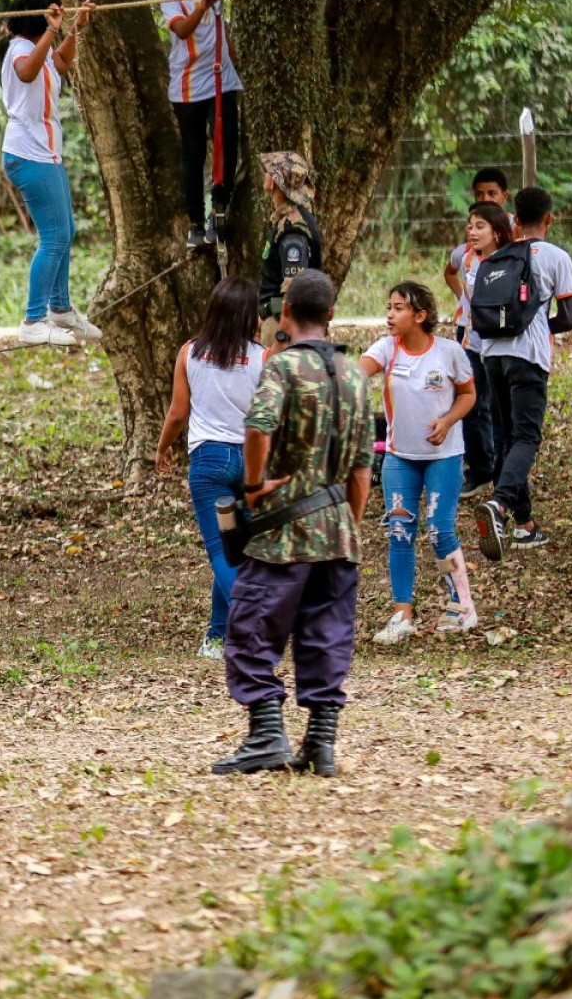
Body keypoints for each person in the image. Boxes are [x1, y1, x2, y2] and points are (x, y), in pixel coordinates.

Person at [214, 269, 375, 779]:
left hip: (283, 536)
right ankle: (320, 745)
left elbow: (258, 427)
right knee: (327, 637)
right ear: (331, 314)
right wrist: (349, 527)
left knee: (251, 629)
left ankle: (267, 737)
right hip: (337, 534)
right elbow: (362, 470)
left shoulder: (282, 367)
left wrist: (254, 485)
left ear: (285, 313)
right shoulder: (355, 375)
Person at [357, 282, 478, 643]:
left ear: (420, 315)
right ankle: (401, 615)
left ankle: (461, 606)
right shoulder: (386, 348)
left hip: (443, 457)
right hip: (399, 457)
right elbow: (358, 371)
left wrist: (447, 421)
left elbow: (468, 394)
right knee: (399, 531)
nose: (390, 315)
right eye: (389, 307)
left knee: (439, 529)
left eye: (398, 308)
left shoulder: (449, 352)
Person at [155, 276, 265, 659]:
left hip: (210, 462)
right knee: (238, 550)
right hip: (252, 463)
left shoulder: (190, 352)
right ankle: (217, 637)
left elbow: (177, 413)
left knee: (222, 551)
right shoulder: (263, 357)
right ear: (249, 315)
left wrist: (162, 448)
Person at [474, 187, 572, 558]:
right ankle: (500, 505)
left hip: (491, 355)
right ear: (549, 218)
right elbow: (567, 318)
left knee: (505, 438)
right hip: (528, 357)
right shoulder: (557, 257)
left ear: (515, 219)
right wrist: (536, 326)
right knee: (527, 437)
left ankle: (525, 525)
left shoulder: (499, 256)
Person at [0, 0, 100, 347]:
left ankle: (60, 308)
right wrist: (53, 30)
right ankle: (33, 319)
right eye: (51, 11)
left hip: (47, 153)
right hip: (28, 153)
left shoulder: (40, 50)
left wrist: (75, 29)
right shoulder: (20, 48)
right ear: (37, 15)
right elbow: (26, 73)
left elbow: (59, 63)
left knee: (65, 231)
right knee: (54, 236)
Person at [160, 0, 244, 247]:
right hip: (188, 88)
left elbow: (223, 28)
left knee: (227, 143)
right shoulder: (170, 1)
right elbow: (182, 31)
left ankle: (218, 211)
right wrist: (202, 6)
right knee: (193, 155)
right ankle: (195, 222)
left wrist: (235, 60)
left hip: (222, 82)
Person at [443, 202, 513, 497]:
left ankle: (506, 476)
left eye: (480, 226)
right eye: (470, 226)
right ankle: (481, 470)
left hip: (501, 346)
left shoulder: (512, 259)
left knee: (501, 410)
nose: (472, 232)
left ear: (497, 232)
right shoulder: (467, 257)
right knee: (470, 404)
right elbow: (457, 283)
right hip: (472, 343)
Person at [257, 151, 324, 347]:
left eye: (269, 171)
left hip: (284, 326)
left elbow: (294, 291)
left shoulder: (292, 230)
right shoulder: (288, 221)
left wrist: (282, 337)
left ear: (274, 182)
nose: (265, 174)